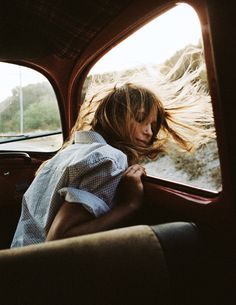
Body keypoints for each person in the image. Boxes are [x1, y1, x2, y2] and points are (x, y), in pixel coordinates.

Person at [11, 82, 205, 247]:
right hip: (43, 275)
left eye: (152, 126)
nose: (149, 132)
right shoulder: (108, 158)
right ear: (116, 117)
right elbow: (60, 239)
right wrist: (130, 205)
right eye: (140, 120)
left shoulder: (66, 154)